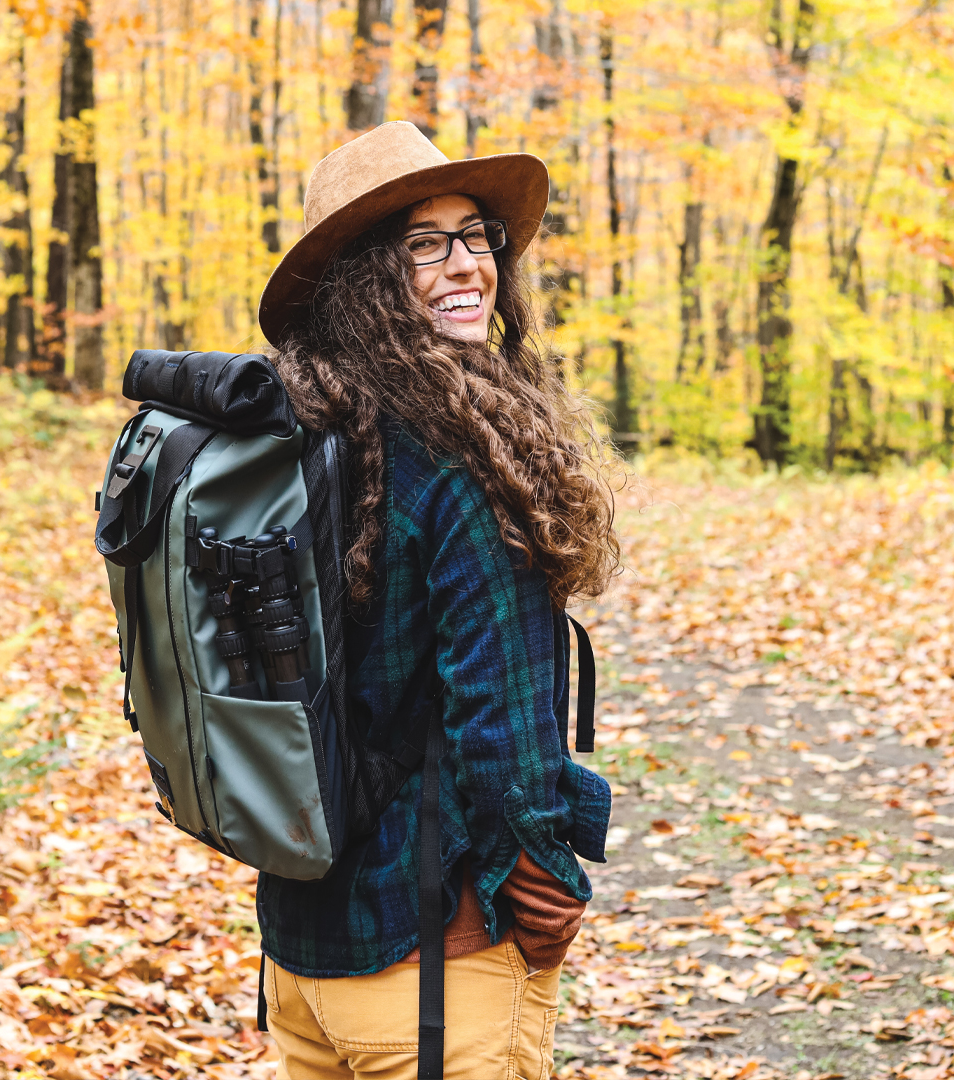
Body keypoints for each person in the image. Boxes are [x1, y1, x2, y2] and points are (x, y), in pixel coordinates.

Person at [253, 120, 620, 1080]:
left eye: (476, 236)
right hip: (433, 972)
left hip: (301, 966)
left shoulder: (297, 442)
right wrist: (547, 887)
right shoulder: (463, 463)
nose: (467, 264)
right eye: (425, 242)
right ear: (365, 276)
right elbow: (508, 734)